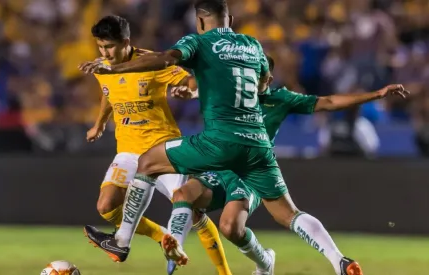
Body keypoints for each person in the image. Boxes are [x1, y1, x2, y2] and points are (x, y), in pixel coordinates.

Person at [79, 1, 278, 272]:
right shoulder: (103, 68)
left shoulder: (151, 62)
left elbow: (191, 82)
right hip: (127, 150)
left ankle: (225, 272)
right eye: (101, 47)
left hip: (162, 147)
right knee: (106, 205)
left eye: (110, 47)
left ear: (126, 41)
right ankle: (161, 236)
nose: (105, 53)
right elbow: (109, 95)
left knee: (194, 211)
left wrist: (188, 89)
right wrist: (99, 124)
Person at [167, 55, 409, 275]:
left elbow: (329, 101)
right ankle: (173, 257)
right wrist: (191, 92)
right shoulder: (230, 93)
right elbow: (200, 83)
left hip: (251, 173)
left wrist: (376, 95)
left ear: (268, 79)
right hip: (220, 167)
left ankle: (326, 262)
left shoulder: (280, 99)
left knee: (231, 228)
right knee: (183, 194)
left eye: (257, 75)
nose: (249, 79)